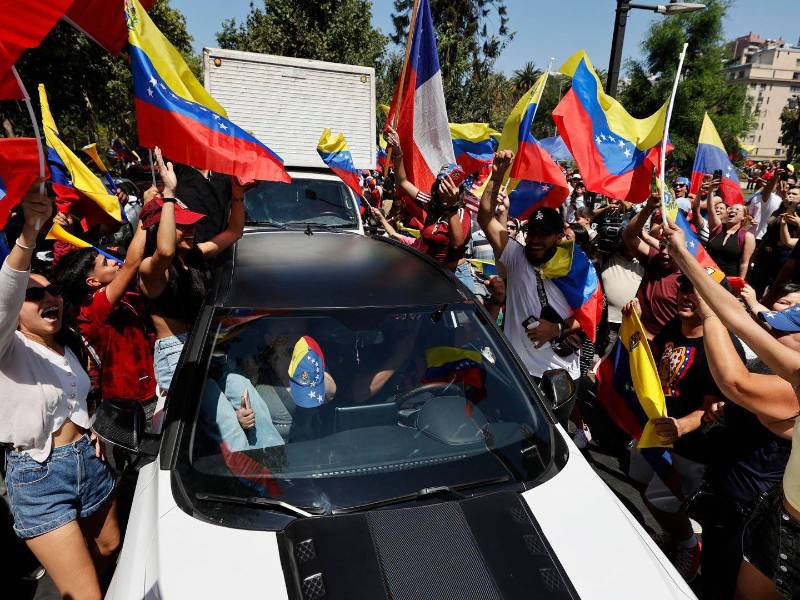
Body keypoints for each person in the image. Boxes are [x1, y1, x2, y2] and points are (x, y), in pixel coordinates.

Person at [663, 218, 800, 600]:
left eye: (785, 329)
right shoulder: (782, 368)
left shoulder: (794, 388)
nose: (771, 331)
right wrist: (685, 256)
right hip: (731, 500)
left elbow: (735, 381)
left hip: (757, 521)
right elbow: (738, 315)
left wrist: (709, 314)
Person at [0, 185, 119, 600]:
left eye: (51, 291)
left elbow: (78, 398)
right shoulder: (7, 347)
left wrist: (92, 430)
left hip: (89, 460)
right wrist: (29, 234)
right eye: (33, 296)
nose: (48, 298)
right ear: (15, 313)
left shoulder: (67, 345)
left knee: (110, 547)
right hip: (39, 477)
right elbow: (6, 292)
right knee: (87, 596)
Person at [139, 148, 246, 394]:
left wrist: (237, 195)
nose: (192, 230)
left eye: (193, 225)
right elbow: (165, 252)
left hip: (203, 345)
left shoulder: (195, 255)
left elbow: (234, 233)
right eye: (183, 226)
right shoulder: (152, 269)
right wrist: (168, 195)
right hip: (176, 355)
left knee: (250, 400)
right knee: (223, 422)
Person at [478, 150, 582, 380]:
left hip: (560, 375)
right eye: (531, 232)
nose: (535, 239)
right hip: (518, 372)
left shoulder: (575, 268)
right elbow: (485, 217)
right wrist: (496, 177)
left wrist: (555, 330)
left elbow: (592, 319)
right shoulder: (515, 255)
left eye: (543, 234)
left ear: (558, 236)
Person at [54, 212, 159, 422]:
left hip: (154, 388)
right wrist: (146, 215)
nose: (113, 262)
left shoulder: (125, 294)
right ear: (92, 282)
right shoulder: (92, 308)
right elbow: (132, 263)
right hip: (130, 402)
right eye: (106, 262)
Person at [380, 127, 474, 290]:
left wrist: (451, 207)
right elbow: (402, 182)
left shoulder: (460, 214)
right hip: (434, 273)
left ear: (459, 191)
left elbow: (457, 243)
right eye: (440, 184)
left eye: (448, 186)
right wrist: (397, 152)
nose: (442, 189)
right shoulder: (432, 204)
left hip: (456, 276)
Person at [622, 192, 681, 339]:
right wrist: (649, 208)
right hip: (634, 337)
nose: (665, 252)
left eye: (671, 247)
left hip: (661, 349)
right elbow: (629, 236)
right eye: (662, 246)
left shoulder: (688, 279)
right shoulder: (654, 259)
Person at [705, 200, 756, 278]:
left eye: (737, 209)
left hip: (728, 280)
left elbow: (744, 263)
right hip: (707, 274)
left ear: (744, 217)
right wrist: (710, 191)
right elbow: (710, 210)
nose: (732, 210)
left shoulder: (747, 237)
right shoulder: (717, 228)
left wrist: (740, 282)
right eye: (730, 209)